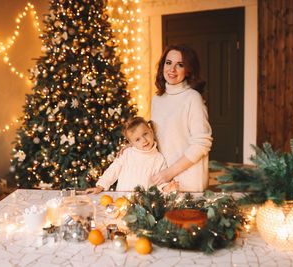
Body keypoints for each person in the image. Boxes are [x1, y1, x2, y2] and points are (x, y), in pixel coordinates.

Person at [150, 44, 213, 192]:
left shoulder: (192, 98)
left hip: (188, 181)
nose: (172, 69)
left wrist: (169, 173)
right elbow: (157, 136)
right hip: (163, 180)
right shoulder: (157, 99)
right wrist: (134, 145)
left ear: (188, 70)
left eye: (180, 65)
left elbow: (201, 144)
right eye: (168, 63)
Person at [85, 117, 178, 194]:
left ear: (151, 131)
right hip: (122, 200)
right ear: (131, 142)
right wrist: (100, 187)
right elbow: (113, 171)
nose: (144, 140)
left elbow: (161, 182)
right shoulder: (127, 154)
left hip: (144, 205)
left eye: (145, 134)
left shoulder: (158, 158)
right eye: (137, 139)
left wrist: (167, 188)